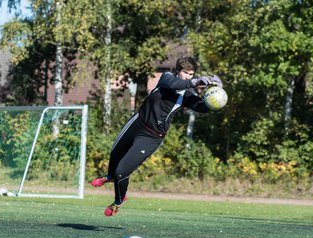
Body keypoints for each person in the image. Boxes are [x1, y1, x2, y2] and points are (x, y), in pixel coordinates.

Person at [91, 56, 223, 216]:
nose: (188, 77)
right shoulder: (167, 78)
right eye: (186, 73)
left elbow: (201, 107)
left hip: (151, 136)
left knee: (122, 172)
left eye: (191, 74)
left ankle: (119, 200)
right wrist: (196, 82)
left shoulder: (188, 94)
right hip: (137, 122)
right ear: (178, 71)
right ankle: (110, 176)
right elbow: (174, 84)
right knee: (114, 153)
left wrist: (215, 98)